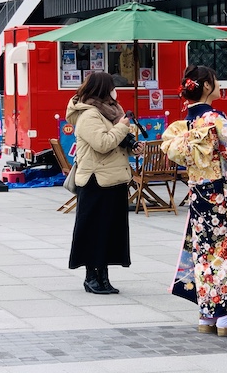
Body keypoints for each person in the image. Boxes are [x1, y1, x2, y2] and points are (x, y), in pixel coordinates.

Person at [161, 65, 227, 336]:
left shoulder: (186, 122)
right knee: (223, 252)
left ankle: (206, 315)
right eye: (216, 81)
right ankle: (223, 317)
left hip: (198, 192)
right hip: (221, 195)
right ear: (206, 87)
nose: (220, 85)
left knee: (203, 251)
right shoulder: (214, 118)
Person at [65, 71, 143, 295]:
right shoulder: (88, 115)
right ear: (102, 90)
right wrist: (122, 127)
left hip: (114, 180)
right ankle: (91, 277)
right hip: (95, 182)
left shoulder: (110, 113)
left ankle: (104, 276)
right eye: (111, 87)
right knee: (94, 231)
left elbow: (116, 145)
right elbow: (102, 143)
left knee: (110, 232)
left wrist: (132, 147)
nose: (115, 92)